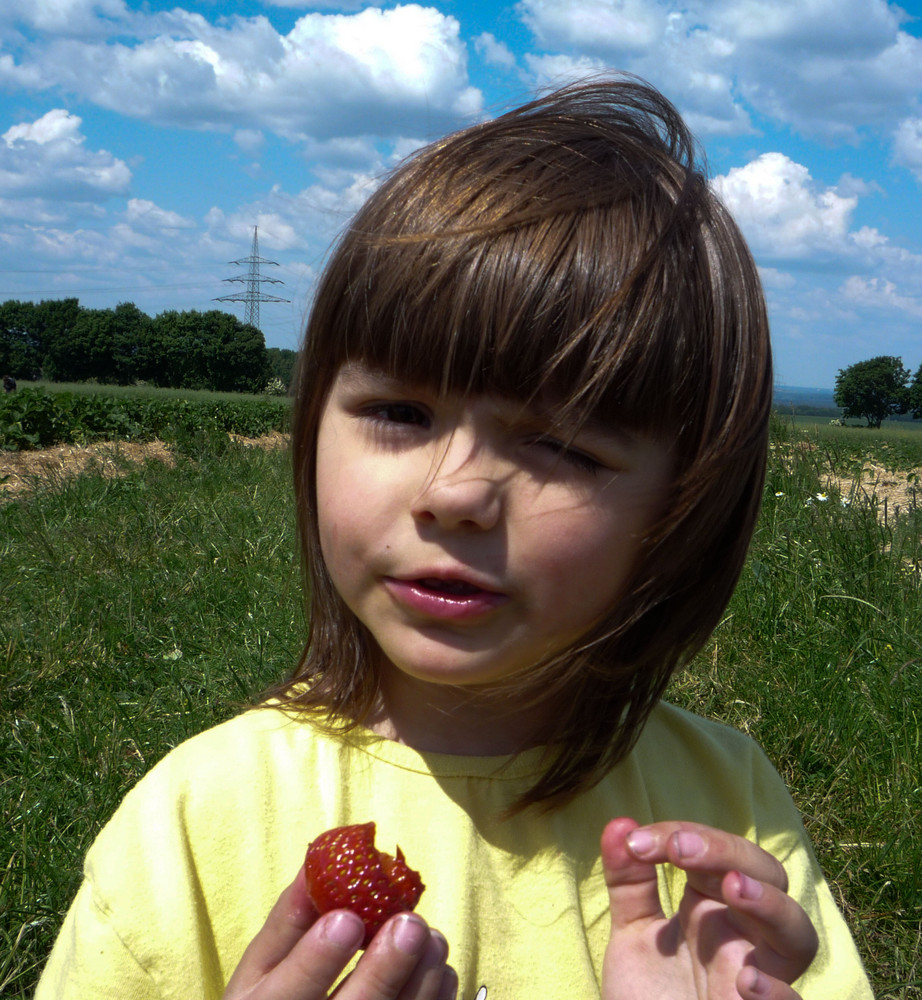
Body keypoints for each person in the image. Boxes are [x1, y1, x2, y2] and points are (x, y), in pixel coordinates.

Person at [36, 77, 873, 1000]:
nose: (455, 493)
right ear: (313, 425)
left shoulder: (726, 826)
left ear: (687, 506)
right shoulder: (194, 822)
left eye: (561, 443)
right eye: (398, 411)